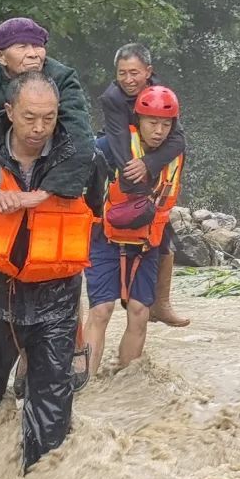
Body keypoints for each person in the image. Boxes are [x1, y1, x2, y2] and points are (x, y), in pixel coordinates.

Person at [0, 71, 94, 471]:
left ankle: (38, 474)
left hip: (55, 299)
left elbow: (93, 213)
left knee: (51, 414)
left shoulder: (79, 159)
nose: (39, 128)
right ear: (9, 111)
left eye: (49, 117)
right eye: (29, 117)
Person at [0, 17, 94, 396]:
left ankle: (62, 355)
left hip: (49, 207)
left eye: (38, 45)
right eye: (22, 47)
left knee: (58, 285)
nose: (33, 53)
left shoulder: (63, 79)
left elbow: (81, 141)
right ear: (0, 56)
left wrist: (46, 192)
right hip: (0, 206)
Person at [84, 86, 184, 376]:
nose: (159, 131)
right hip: (105, 237)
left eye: (166, 124)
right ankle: (85, 384)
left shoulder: (175, 154)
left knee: (139, 312)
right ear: (138, 120)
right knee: (101, 311)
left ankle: (124, 384)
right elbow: (88, 189)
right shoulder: (109, 147)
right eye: (152, 122)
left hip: (146, 243)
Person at [97, 44, 189, 327]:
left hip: (151, 158)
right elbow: (117, 139)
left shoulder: (161, 95)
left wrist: (149, 165)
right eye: (122, 73)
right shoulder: (112, 97)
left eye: (134, 73)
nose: (128, 80)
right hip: (121, 155)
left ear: (148, 72)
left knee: (164, 231)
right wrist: (132, 173)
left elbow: (178, 140)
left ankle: (161, 303)